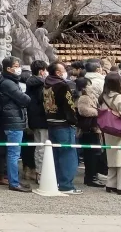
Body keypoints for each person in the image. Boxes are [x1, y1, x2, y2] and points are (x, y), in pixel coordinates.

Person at [43, 62, 80, 194]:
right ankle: (66, 185)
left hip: (51, 121)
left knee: (56, 154)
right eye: (63, 70)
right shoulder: (62, 85)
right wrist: (74, 121)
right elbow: (69, 105)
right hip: (64, 123)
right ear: (58, 73)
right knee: (68, 155)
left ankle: (58, 181)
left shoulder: (46, 84)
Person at [0, 56, 32, 192]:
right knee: (14, 153)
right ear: (8, 68)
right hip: (13, 120)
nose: (19, 68)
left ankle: (14, 180)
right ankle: (14, 182)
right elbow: (24, 99)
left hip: (12, 118)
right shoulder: (8, 83)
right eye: (16, 66)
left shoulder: (7, 80)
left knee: (13, 153)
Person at [25, 60, 49, 182]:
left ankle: (38, 172)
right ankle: (41, 173)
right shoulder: (42, 86)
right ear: (41, 71)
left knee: (38, 146)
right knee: (43, 147)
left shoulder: (29, 84)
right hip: (43, 119)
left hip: (33, 119)